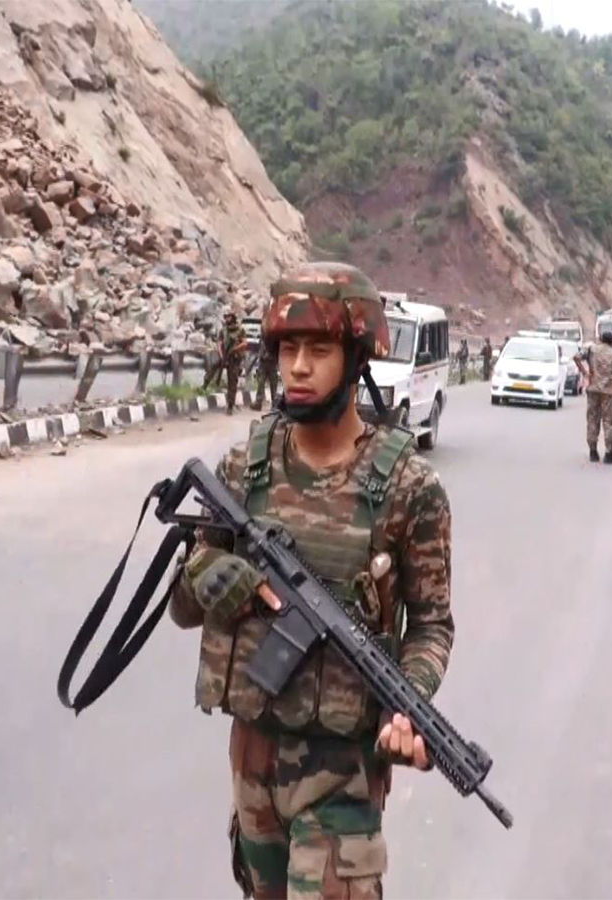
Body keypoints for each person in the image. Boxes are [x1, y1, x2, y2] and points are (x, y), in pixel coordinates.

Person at [169, 261, 453, 899]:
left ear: (355, 361)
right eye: (287, 348)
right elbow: (185, 605)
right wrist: (211, 573)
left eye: (317, 349)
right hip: (252, 760)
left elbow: (431, 624)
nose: (297, 366)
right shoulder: (245, 467)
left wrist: (411, 700)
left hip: (342, 774)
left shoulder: (410, 488)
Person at [574, 330, 612, 464]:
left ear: (601, 339)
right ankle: (609, 452)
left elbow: (576, 357)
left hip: (593, 389)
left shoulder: (591, 349)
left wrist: (585, 373)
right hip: (608, 391)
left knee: (592, 419)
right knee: (609, 421)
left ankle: (593, 451)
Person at [220, 310, 247, 415]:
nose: (227, 319)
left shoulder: (240, 329)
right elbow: (219, 343)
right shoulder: (223, 330)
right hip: (226, 358)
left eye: (229, 317)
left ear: (233, 317)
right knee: (227, 381)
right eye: (225, 317)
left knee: (233, 382)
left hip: (235, 359)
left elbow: (245, 343)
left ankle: (230, 405)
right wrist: (222, 356)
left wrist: (235, 349)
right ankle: (230, 403)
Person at [251, 340, 279, 412]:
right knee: (261, 383)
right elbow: (260, 350)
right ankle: (258, 402)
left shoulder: (275, 340)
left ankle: (274, 404)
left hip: (272, 364)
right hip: (263, 364)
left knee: (273, 385)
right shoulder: (264, 339)